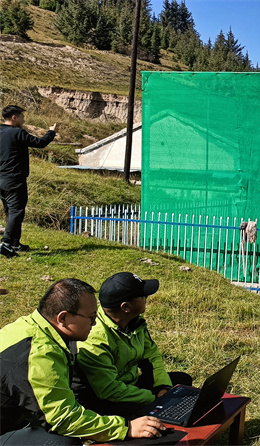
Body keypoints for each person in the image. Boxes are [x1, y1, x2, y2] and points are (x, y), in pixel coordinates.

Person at [0, 279, 167, 445]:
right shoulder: (40, 354)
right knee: (63, 442)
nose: (95, 323)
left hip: (19, 418)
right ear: (63, 318)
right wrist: (126, 428)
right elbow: (62, 419)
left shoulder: (30, 326)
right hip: (7, 428)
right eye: (91, 318)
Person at [73, 272, 192, 418]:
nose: (146, 298)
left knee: (182, 381)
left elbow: (151, 356)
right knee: (141, 410)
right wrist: (153, 399)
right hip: (106, 399)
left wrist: (162, 387)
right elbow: (109, 390)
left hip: (130, 386)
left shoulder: (135, 321)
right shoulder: (94, 339)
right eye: (142, 296)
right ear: (126, 307)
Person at [0, 105, 58, 258]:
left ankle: (14, 243)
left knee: (10, 211)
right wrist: (51, 132)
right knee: (16, 211)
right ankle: (6, 243)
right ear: (14, 117)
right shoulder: (17, 133)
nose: (24, 120)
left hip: (1, 179)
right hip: (14, 179)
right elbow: (40, 143)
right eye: (22, 116)